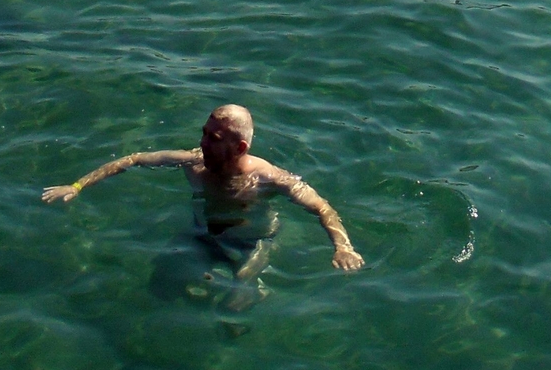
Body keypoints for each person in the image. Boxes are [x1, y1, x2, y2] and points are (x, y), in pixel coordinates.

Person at [42, 104, 364, 307]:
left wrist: (343, 248)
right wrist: (77, 186)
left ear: (239, 147)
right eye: (204, 133)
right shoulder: (193, 164)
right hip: (203, 235)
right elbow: (133, 160)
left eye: (213, 138)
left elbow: (322, 208)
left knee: (235, 306)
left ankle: (247, 288)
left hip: (253, 242)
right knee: (160, 288)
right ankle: (205, 279)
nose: (202, 143)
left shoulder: (268, 179)